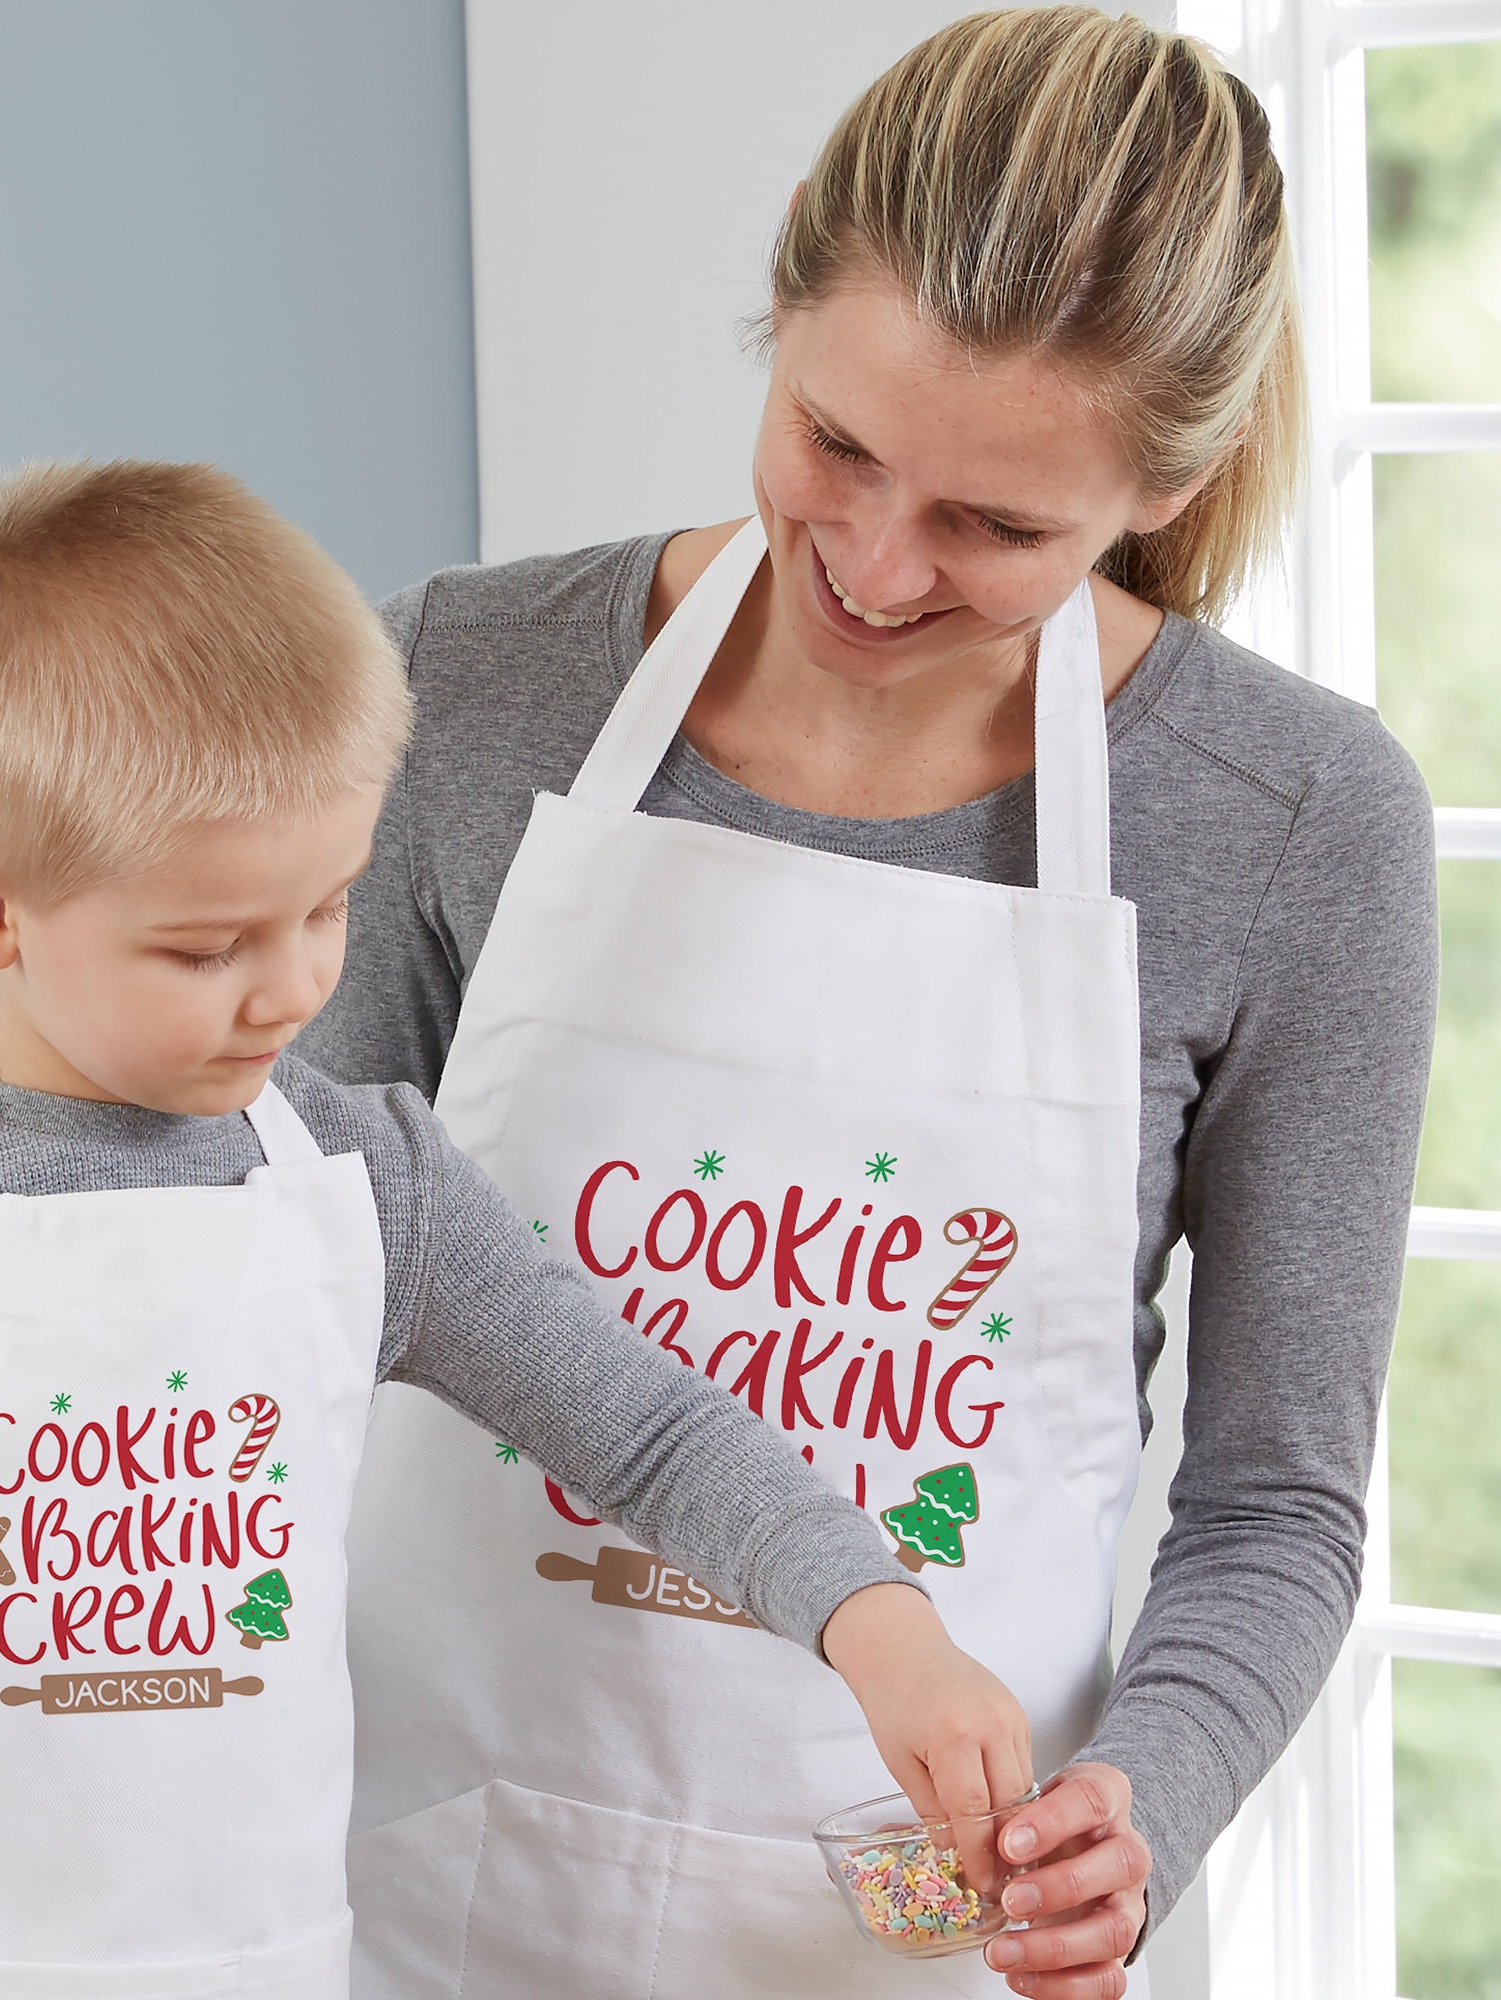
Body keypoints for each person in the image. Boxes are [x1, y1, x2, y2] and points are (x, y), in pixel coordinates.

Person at [0, 462, 1033, 1999]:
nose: (294, 988)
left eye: (329, 906)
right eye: (208, 945)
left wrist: (878, 1620)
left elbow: (650, 1434)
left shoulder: (376, 1184)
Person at [299, 11, 1438, 2000]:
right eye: (835, 444)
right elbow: (269, 1292)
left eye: (997, 529)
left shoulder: (1293, 824)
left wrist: (1138, 1808)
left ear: (1148, 494)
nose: (876, 564)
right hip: (399, 1893)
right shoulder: (464, 679)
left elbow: (1273, 1506)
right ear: (777, 315)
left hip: (893, 1938)